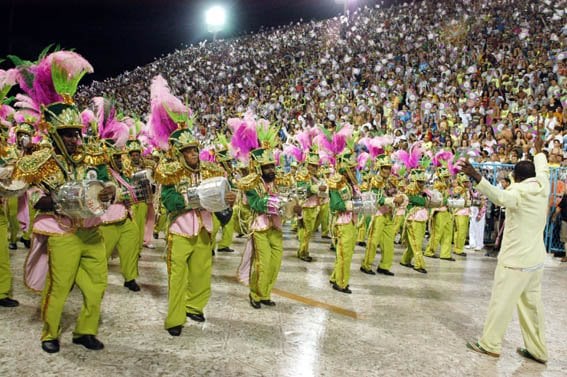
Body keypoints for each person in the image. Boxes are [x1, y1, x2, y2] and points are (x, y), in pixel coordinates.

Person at [461, 129, 549, 364]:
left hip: (515, 261)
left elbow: (500, 197)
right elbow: (544, 168)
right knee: (532, 307)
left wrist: (476, 176)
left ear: (516, 177)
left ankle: (490, 344)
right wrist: (539, 152)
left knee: (502, 302)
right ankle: (538, 350)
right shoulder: (543, 184)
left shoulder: (518, 191)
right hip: (536, 260)